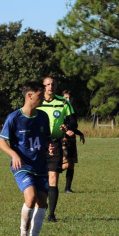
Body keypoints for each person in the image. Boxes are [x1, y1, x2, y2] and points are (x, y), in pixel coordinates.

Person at [0, 81, 50, 236]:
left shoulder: (43, 116)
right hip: (23, 165)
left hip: (40, 165)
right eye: (40, 95)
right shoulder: (14, 118)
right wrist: (14, 154)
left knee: (42, 202)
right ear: (30, 95)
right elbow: (1, 141)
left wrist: (50, 147)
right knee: (31, 197)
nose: (43, 98)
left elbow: (46, 139)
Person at [38, 76, 77, 221]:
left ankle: (51, 215)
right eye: (47, 84)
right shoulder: (37, 101)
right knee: (41, 179)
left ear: (56, 86)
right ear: (43, 87)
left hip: (55, 144)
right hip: (39, 145)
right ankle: (41, 206)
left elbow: (73, 121)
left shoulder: (63, 102)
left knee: (53, 177)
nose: (50, 87)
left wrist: (67, 127)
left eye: (53, 84)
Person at [60, 89, 85, 193]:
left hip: (72, 140)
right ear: (62, 98)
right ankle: (50, 173)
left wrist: (80, 133)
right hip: (63, 139)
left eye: (70, 98)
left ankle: (67, 188)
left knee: (71, 164)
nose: (68, 100)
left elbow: (73, 126)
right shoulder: (61, 110)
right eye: (66, 98)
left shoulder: (73, 111)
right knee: (65, 165)